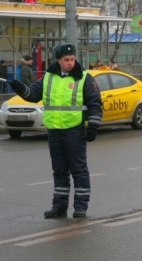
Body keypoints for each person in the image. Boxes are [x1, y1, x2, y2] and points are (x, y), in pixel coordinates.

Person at [9, 43, 102, 219]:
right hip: (54, 131)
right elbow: (33, 95)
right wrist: (20, 89)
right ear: (58, 60)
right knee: (59, 170)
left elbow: (95, 103)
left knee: (78, 169)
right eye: (66, 60)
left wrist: (93, 126)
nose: (70, 62)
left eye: (72, 59)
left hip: (74, 130)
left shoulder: (84, 78)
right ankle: (59, 206)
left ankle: (80, 207)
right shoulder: (48, 77)